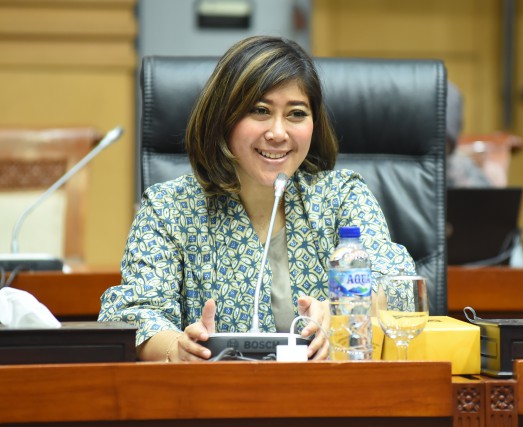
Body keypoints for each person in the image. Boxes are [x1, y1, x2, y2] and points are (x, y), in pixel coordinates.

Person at [98, 36, 415, 362]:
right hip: (216, 391)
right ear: (223, 118)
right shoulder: (168, 208)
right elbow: (135, 315)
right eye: (260, 111)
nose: (278, 133)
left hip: (327, 391)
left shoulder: (342, 196)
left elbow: (400, 288)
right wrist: (177, 349)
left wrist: (340, 311)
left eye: (296, 114)